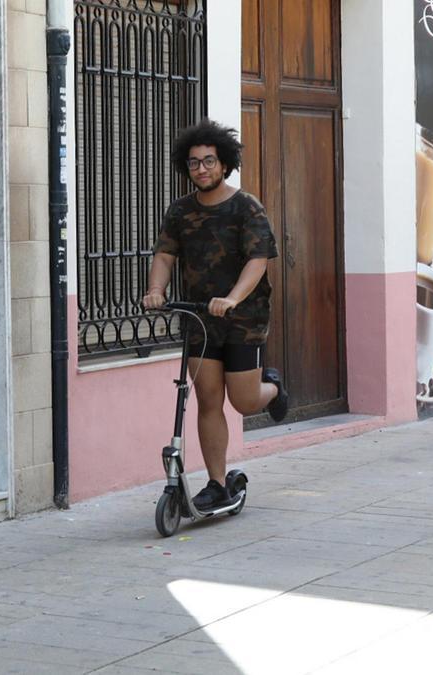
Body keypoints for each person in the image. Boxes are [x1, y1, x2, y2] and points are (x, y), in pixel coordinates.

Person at [143, 119, 289, 511]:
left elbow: (258, 260)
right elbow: (165, 255)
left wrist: (233, 298)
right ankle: (216, 482)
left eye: (209, 161)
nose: (202, 169)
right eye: (194, 163)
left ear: (224, 164)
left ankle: (273, 388)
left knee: (242, 402)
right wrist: (156, 290)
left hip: (244, 319)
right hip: (200, 320)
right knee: (208, 400)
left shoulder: (246, 207)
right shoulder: (180, 212)